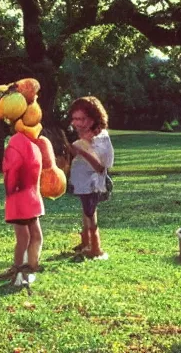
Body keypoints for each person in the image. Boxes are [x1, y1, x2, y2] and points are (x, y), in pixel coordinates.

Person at [0, 124, 43, 289]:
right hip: (29, 197)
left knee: (28, 237)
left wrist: (11, 191)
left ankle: (23, 271)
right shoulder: (30, 143)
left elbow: (12, 171)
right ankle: (21, 272)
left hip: (22, 197)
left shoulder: (19, 143)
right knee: (30, 236)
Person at [68, 96, 114, 260]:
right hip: (82, 182)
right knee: (85, 211)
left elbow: (100, 167)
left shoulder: (100, 138)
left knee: (90, 213)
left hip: (93, 183)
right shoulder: (85, 135)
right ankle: (85, 242)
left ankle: (96, 248)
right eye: (75, 119)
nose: (77, 123)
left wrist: (81, 151)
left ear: (93, 119)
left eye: (82, 119)